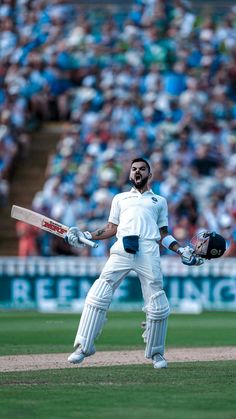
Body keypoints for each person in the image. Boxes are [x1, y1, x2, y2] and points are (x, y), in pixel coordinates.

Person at [65, 158, 204, 369]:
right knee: (98, 294)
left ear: (149, 174)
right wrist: (87, 235)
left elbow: (163, 234)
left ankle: (156, 353)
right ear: (130, 174)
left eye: (142, 169)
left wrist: (181, 249)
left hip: (148, 250)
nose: (137, 172)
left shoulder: (159, 201)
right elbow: (111, 228)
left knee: (157, 304)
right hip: (122, 249)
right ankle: (83, 348)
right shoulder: (120, 198)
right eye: (134, 169)